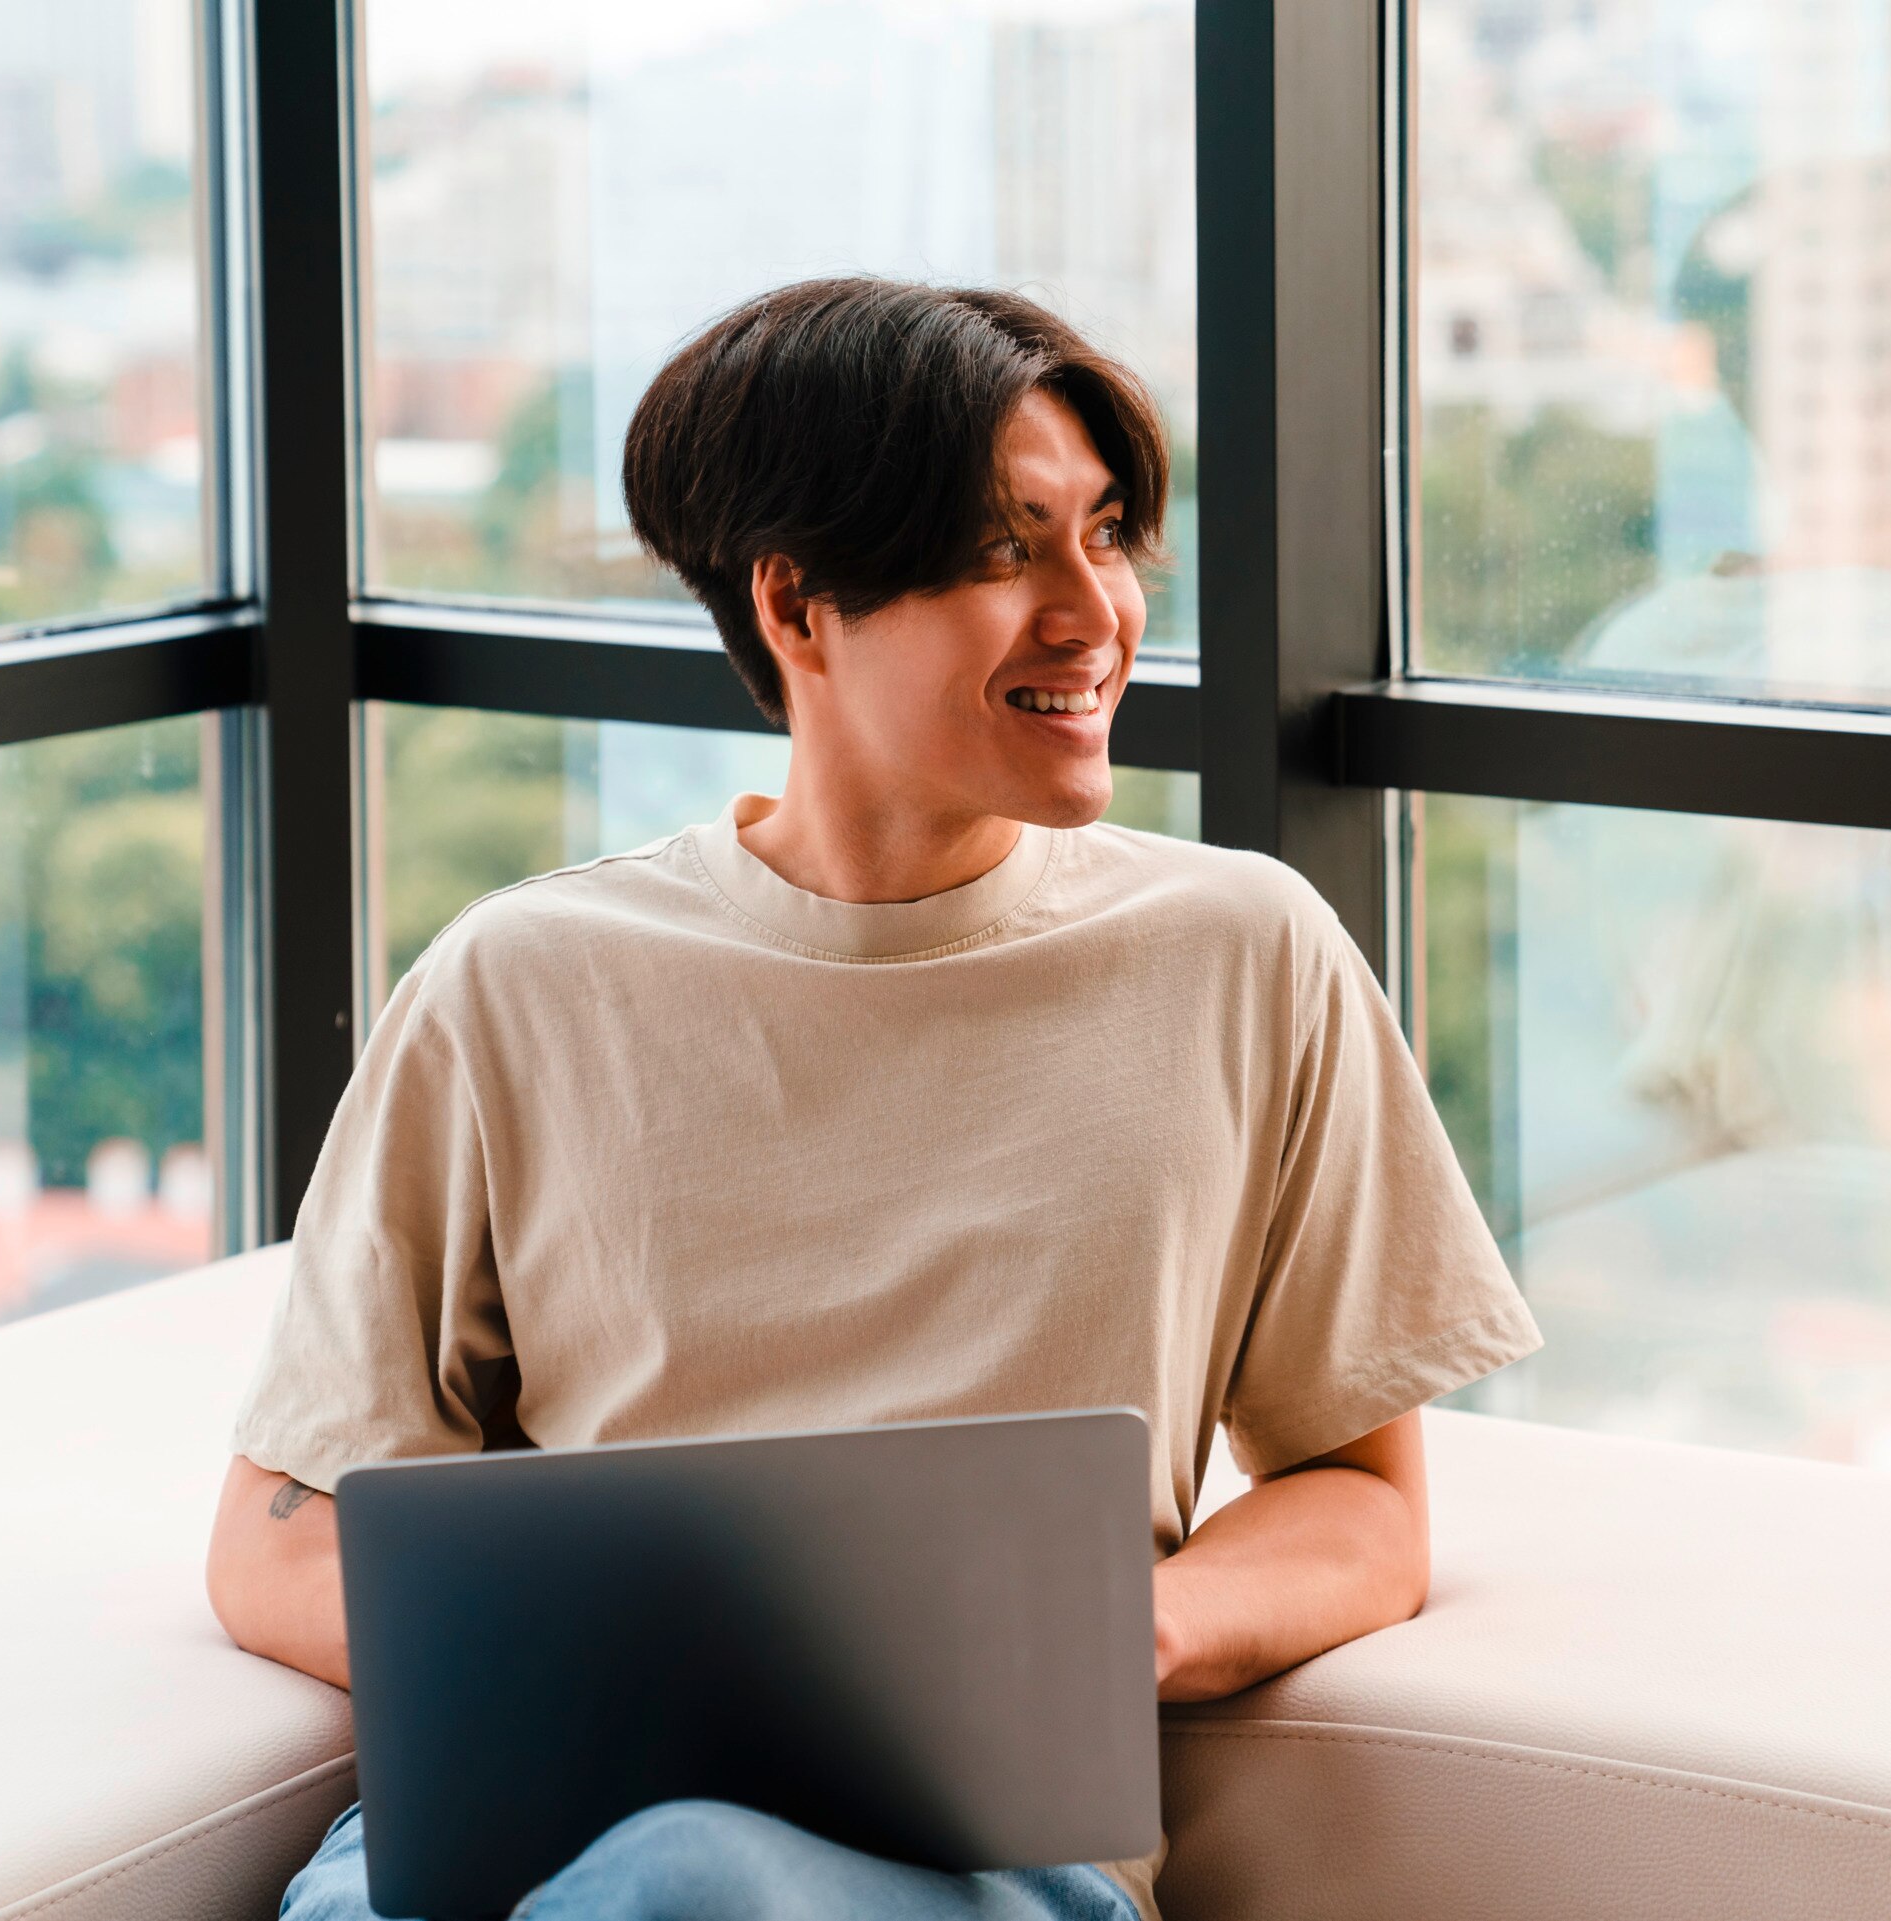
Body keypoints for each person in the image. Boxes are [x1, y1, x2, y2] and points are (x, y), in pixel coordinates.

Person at [206, 276, 1541, 1920]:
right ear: (798, 607)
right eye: (1006, 550)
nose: (1094, 611)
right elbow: (277, 1535)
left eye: (1106, 533)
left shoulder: (1240, 953)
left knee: (694, 1882)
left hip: (979, 1855)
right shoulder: (521, 983)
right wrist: (686, 1675)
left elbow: (1362, 1502)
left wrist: (1130, 1629)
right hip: (536, 1822)